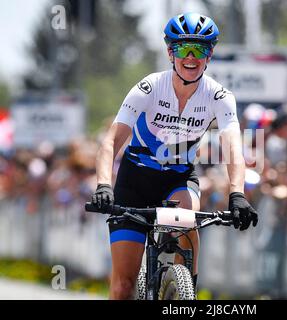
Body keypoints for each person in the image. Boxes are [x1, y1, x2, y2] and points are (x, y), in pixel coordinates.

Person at [90, 12, 258, 300]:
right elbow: (110, 142)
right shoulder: (150, 87)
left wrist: (237, 193)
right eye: (183, 48)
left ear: (210, 54)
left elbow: (233, 148)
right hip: (134, 181)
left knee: (188, 218)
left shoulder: (219, 97)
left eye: (200, 49)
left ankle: (183, 293)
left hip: (178, 178)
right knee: (122, 287)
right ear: (170, 52)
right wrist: (104, 184)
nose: (191, 57)